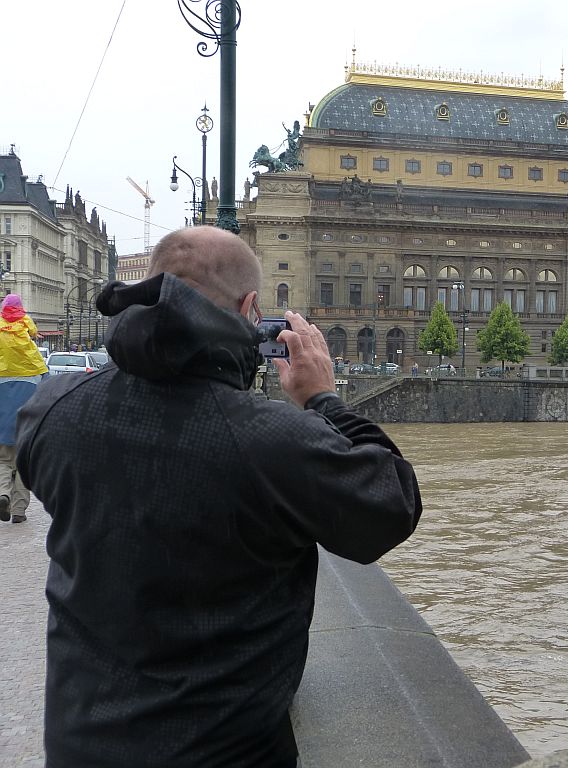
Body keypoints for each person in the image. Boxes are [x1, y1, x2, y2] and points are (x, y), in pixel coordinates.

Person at [15, 227, 423, 768]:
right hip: (225, 750)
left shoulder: (53, 409)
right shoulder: (268, 438)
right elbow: (393, 504)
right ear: (251, 310)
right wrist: (323, 398)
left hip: (79, 745)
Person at [0, 293, 48, 523]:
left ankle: (3, 494)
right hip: (27, 426)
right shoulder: (35, 363)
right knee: (22, 465)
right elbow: (47, 393)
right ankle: (19, 510)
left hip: (2, 424)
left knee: (2, 461)